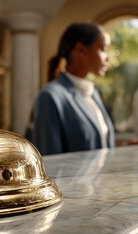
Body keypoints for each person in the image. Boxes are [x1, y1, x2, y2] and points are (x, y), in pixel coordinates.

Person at [32, 22, 116, 155]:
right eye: (103, 49)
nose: (108, 57)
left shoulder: (93, 93)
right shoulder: (50, 96)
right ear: (81, 50)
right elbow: (49, 159)